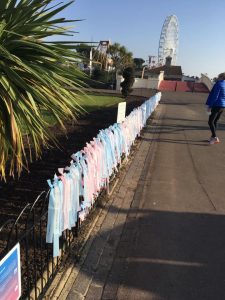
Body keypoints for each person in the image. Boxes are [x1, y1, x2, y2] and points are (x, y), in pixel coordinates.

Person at [206, 72, 225, 144]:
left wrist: (210, 106)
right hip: (222, 106)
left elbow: (215, 96)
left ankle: (215, 137)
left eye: (218, 76)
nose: (217, 78)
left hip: (216, 105)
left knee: (210, 122)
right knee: (215, 121)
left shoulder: (218, 84)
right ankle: (212, 138)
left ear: (221, 77)